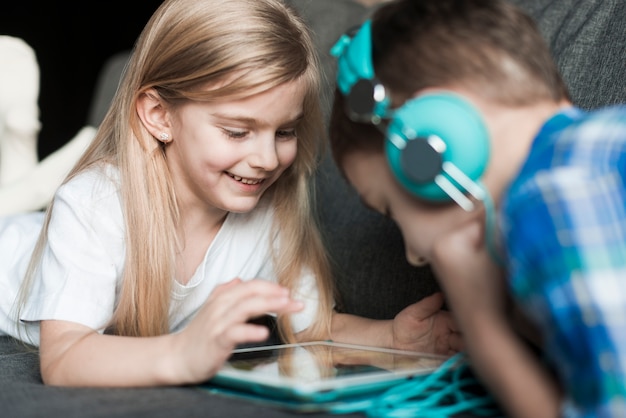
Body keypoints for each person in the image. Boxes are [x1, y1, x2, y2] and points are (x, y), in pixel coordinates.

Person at [0, 0, 461, 388]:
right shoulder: (94, 204)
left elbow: (312, 327)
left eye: (285, 131)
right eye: (238, 131)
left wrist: (394, 339)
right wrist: (182, 354)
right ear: (159, 115)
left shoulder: (268, 210)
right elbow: (63, 359)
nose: (266, 158)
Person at [329, 0, 626, 417]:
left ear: (430, 148)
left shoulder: (552, 198)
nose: (413, 253)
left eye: (391, 211)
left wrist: (485, 329)